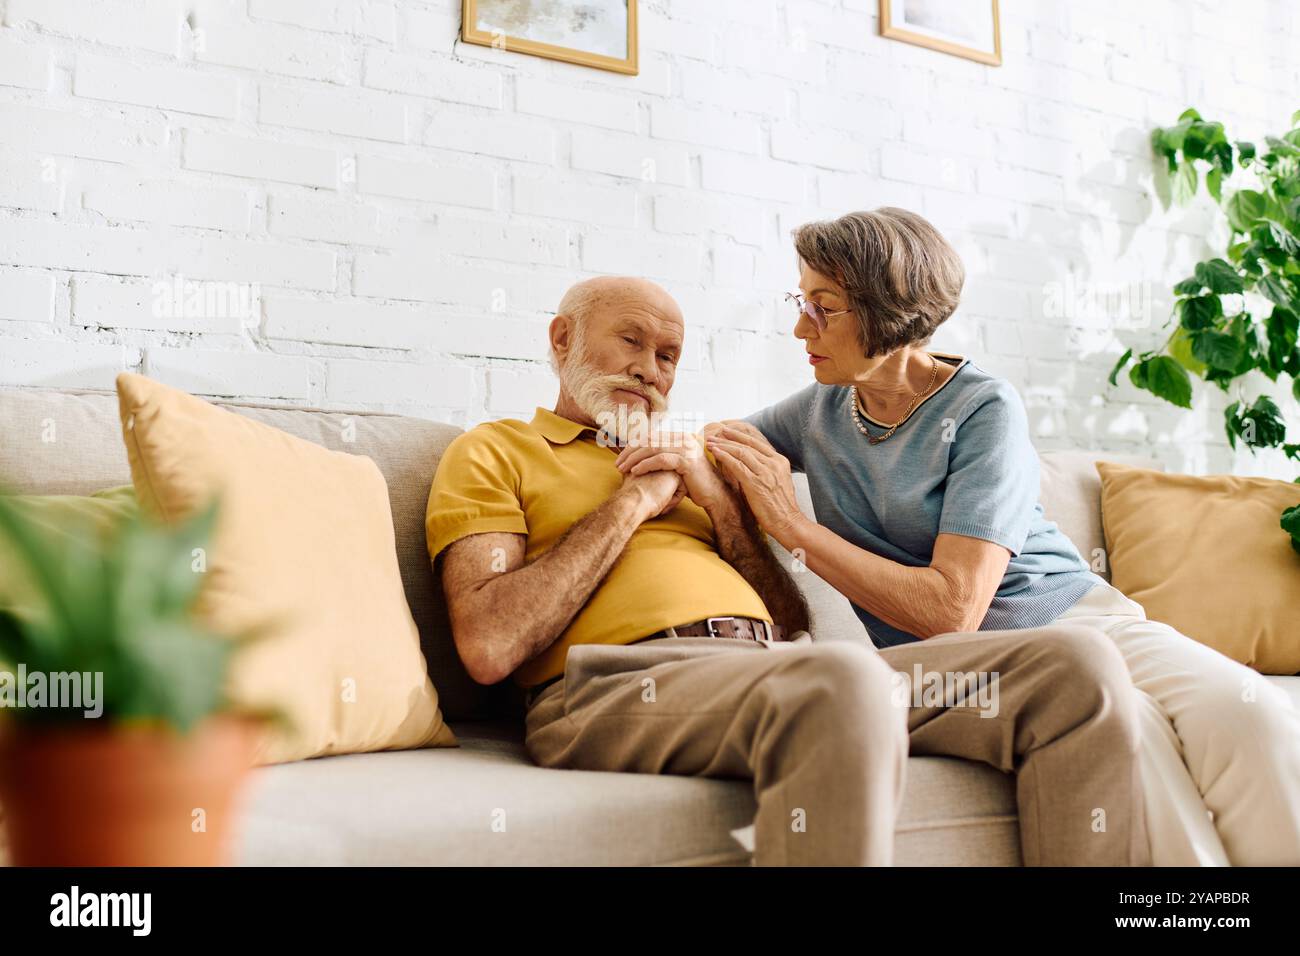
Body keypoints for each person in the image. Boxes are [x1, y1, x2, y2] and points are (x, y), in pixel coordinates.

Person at [425, 274, 1149, 866]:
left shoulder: (696, 467)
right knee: (840, 678)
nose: (650, 369)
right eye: (631, 342)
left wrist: (721, 505)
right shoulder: (496, 451)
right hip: (608, 685)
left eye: (670, 356)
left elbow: (792, 625)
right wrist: (634, 502)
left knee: (1073, 666)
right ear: (563, 339)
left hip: (764, 671)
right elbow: (489, 646)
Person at [699, 207, 1300, 866]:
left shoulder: (982, 408)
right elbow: (714, 449)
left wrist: (793, 527)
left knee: (1252, 717)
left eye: (825, 307)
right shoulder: (817, 412)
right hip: (980, 671)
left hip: (1082, 620)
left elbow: (952, 607)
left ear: (889, 311)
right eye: (801, 301)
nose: (799, 327)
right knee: (1138, 743)